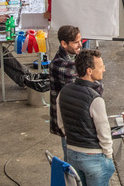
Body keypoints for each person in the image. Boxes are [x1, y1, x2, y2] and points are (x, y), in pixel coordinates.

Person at [57, 49, 114, 186]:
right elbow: (104, 133)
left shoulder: (64, 91)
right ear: (89, 71)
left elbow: (61, 123)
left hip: (72, 154)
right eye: (101, 67)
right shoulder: (95, 99)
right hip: (94, 159)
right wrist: (108, 155)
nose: (104, 70)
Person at [50, 25, 84, 160]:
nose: (80, 45)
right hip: (68, 122)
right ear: (64, 43)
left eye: (80, 41)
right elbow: (80, 91)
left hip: (72, 120)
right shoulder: (61, 65)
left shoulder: (71, 57)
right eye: (76, 42)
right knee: (71, 161)